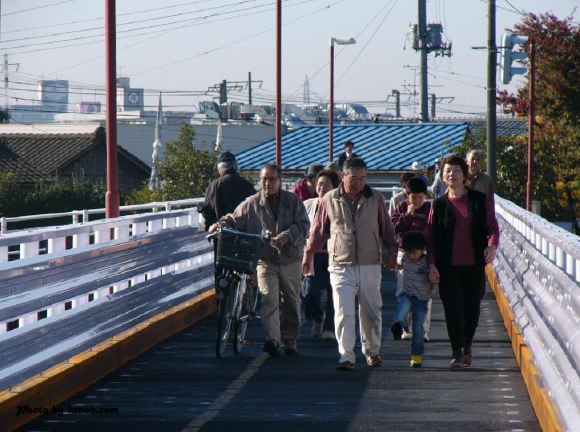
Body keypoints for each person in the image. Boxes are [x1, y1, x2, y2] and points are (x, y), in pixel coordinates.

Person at [303, 157, 398, 371]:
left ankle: (372, 351)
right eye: (354, 178)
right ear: (343, 177)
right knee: (343, 311)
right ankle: (346, 355)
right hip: (340, 263)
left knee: (371, 311)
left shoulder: (376, 199)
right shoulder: (329, 199)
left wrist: (393, 251)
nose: (359, 183)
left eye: (363, 178)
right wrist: (308, 255)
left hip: (370, 263)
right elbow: (317, 231)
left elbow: (388, 230)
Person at [210, 164, 310, 357]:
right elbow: (233, 218)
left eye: (272, 179)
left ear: (280, 181)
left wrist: (287, 236)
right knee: (269, 298)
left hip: (290, 259)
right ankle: (273, 340)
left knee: (291, 301)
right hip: (264, 259)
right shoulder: (252, 203)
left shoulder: (292, 201)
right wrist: (219, 224)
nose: (267, 183)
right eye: (264, 179)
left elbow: (303, 224)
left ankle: (290, 339)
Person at [427, 156, 500, 369]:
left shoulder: (478, 199)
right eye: (448, 171)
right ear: (442, 176)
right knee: (452, 309)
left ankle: (467, 343)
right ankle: (457, 351)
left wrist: (492, 246)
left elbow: (492, 227)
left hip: (474, 264)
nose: (452, 174)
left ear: (464, 174)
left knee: (472, 309)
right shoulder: (438, 205)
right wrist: (431, 264)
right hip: (447, 265)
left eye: (456, 170)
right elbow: (430, 237)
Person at [391, 176, 433, 342]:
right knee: (405, 292)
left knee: (424, 294)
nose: (417, 200)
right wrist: (407, 215)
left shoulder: (430, 208)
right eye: (413, 197)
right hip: (405, 255)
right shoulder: (401, 207)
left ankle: (422, 330)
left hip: (424, 254)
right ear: (407, 196)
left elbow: (434, 231)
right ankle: (407, 328)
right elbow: (393, 228)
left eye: (421, 197)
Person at [302, 169, 341, 340]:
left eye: (326, 184)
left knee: (335, 293)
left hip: (334, 254)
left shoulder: (340, 205)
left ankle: (329, 328)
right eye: (319, 184)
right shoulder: (307, 204)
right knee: (308, 292)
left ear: (334, 187)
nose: (321, 187)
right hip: (312, 254)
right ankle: (318, 315)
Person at [390, 231, 434, 368]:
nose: (411, 256)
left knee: (418, 329)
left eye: (414, 253)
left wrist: (434, 279)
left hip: (421, 299)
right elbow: (398, 266)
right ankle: (397, 325)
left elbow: (434, 278)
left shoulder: (427, 263)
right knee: (402, 307)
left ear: (422, 250)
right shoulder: (405, 259)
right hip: (407, 293)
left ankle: (416, 356)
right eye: (408, 253)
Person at [199, 151, 255, 231]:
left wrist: (208, 227)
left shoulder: (214, 185)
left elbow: (208, 210)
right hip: (243, 232)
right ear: (235, 166)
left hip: (221, 231)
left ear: (220, 168)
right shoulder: (246, 184)